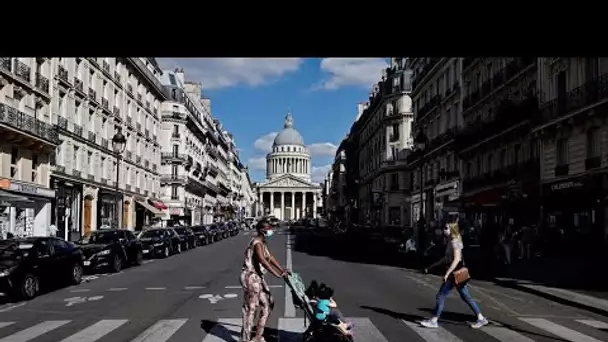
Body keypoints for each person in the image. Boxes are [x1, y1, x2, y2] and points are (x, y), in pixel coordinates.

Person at [421, 222, 489, 329]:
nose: (444, 230)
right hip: (456, 273)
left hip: (455, 273)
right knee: (466, 296)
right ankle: (481, 318)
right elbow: (447, 258)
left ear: (452, 230)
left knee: (441, 296)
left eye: (446, 228)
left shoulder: (455, 242)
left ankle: (434, 320)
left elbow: (457, 259)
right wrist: (431, 267)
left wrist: (447, 274)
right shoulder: (450, 241)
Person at [240, 220, 289, 342]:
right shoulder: (257, 243)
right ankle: (246, 339)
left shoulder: (262, 242)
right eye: (268, 228)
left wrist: (282, 269)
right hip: (251, 277)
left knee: (268, 304)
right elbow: (262, 260)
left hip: (258, 277)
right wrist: (277, 274)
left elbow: (269, 257)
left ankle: (258, 336)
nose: (270, 230)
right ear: (262, 230)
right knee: (251, 309)